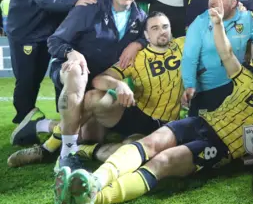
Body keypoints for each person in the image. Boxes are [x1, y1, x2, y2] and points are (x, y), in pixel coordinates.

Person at [55, 0, 253, 204]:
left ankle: (94, 198)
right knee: (149, 143)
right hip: (199, 122)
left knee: (163, 161)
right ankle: (95, 179)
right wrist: (216, 24)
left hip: (220, 144)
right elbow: (226, 53)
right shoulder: (247, 79)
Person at [7, 12, 184, 168]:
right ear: (146, 34)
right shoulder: (136, 57)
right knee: (93, 97)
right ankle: (49, 146)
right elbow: (100, 79)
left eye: (165, 26)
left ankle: (80, 147)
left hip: (168, 123)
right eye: (155, 28)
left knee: (134, 153)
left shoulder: (183, 45)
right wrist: (118, 85)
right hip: (139, 115)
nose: (161, 31)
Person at [46, 0, 148, 171]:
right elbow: (54, 41)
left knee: (91, 138)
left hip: (99, 84)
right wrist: (71, 52)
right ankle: (67, 153)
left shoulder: (141, 17)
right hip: (71, 71)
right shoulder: (90, 6)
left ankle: (40, 126)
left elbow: (152, 38)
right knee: (77, 71)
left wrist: (138, 43)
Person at [6, 0, 97, 133]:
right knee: (28, 80)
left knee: (37, 77)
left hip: (44, 32)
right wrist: (77, 0)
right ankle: (23, 124)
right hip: (25, 32)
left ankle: (32, 120)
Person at [182, 0, 253, 116]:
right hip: (208, 88)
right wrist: (189, 85)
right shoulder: (200, 22)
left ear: (234, 3)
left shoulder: (245, 19)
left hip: (236, 83)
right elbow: (189, 58)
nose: (213, 2)